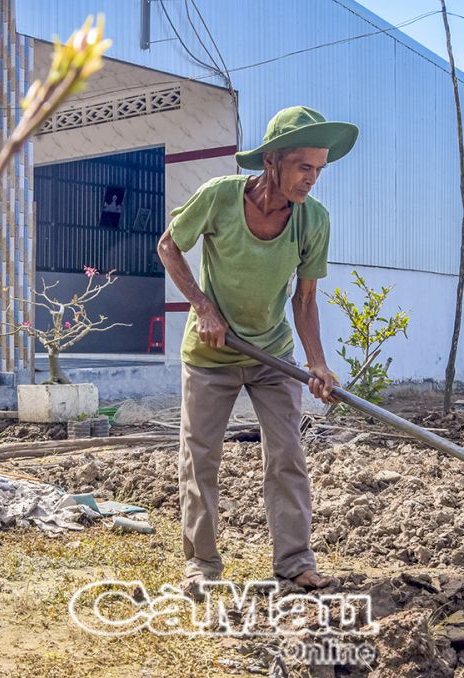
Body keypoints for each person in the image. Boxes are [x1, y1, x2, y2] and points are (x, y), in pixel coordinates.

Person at [157, 105, 359, 595]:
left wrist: (315, 363)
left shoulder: (313, 220)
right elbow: (168, 245)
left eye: (318, 170)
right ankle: (201, 565)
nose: (312, 179)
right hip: (211, 355)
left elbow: (305, 298)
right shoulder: (220, 198)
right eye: (303, 167)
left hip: (272, 355)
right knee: (200, 458)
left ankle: (294, 563)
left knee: (287, 454)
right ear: (272, 161)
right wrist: (203, 307)